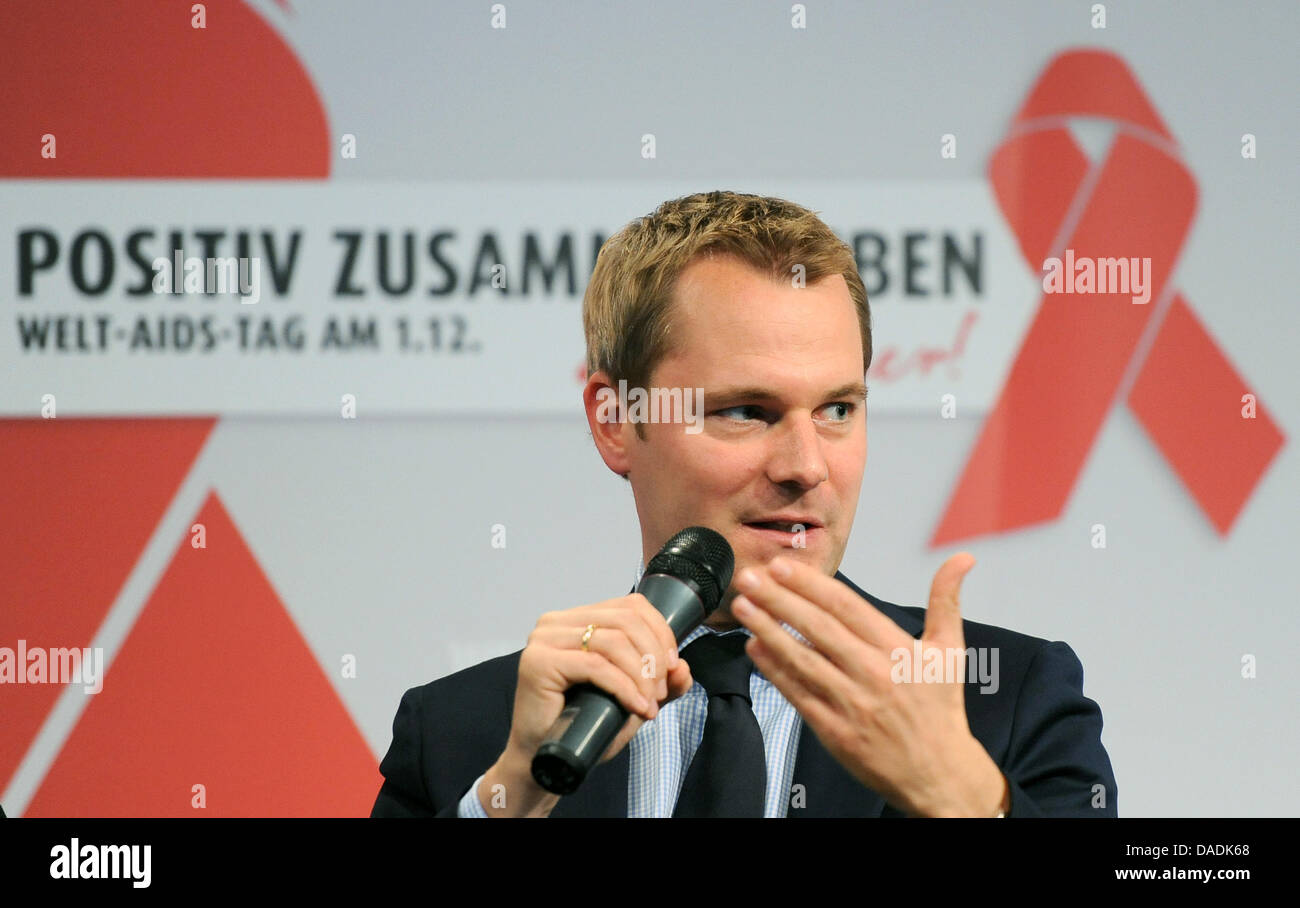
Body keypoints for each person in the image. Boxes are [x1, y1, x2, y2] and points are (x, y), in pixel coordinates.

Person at [370, 190, 1117, 818]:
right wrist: (514, 794)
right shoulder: (461, 734)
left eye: (837, 410)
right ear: (616, 420)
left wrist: (965, 800)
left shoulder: (1004, 700)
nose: (805, 467)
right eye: (746, 412)